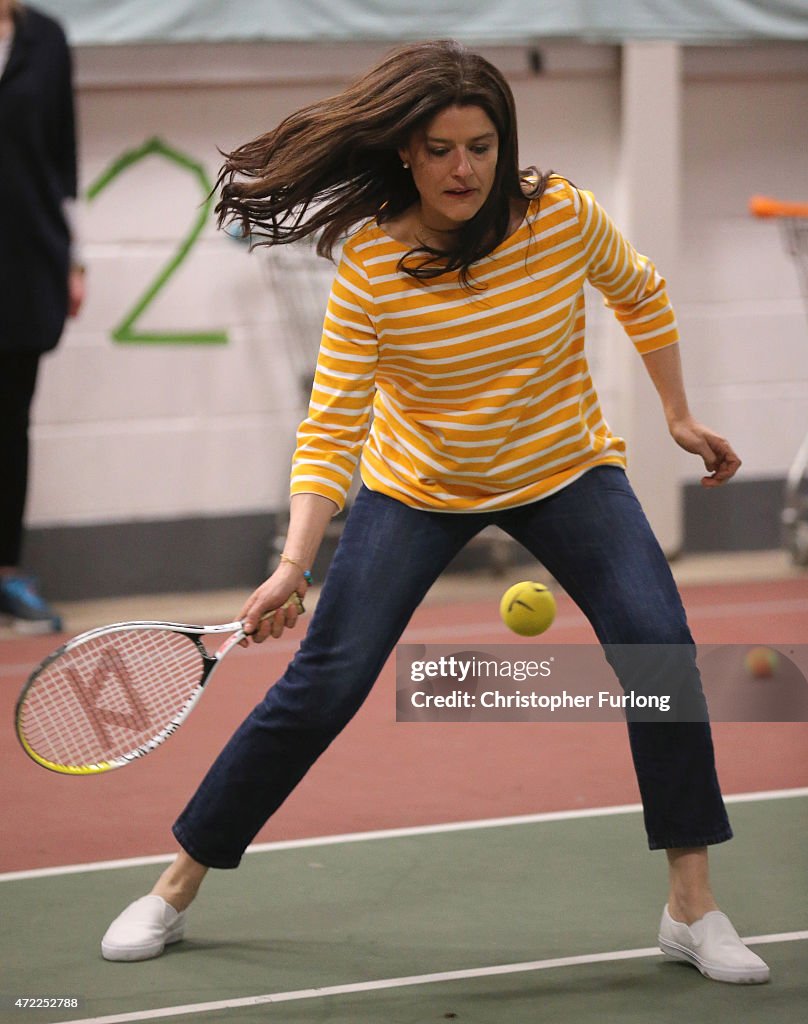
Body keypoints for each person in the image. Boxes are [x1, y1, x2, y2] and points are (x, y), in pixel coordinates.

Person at [101, 40, 769, 984]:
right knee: (325, 682)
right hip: (417, 488)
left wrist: (678, 415)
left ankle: (692, 909)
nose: (465, 169)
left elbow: (641, 291)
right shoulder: (372, 264)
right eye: (442, 149)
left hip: (563, 467)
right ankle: (175, 886)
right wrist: (293, 562)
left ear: (506, 146)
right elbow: (331, 427)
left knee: (657, 645)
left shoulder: (561, 216)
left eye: (482, 145)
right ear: (406, 156)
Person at [0, 0, 85, 632]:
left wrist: (72, 258)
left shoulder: (47, 38)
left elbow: (60, 159)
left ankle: (7, 573)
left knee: (10, 422)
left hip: (24, 260)